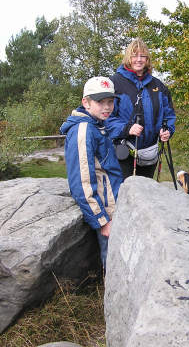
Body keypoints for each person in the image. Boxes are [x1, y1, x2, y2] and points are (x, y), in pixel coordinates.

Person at [60, 76, 123, 272]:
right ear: (85, 103)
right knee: (112, 262)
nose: (107, 107)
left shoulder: (97, 125)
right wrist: (102, 221)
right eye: (100, 102)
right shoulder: (84, 130)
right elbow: (82, 181)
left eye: (110, 101)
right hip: (105, 211)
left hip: (113, 206)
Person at [106, 38, 176, 179]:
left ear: (147, 59)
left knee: (147, 193)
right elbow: (105, 117)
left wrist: (167, 130)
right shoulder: (114, 83)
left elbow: (169, 115)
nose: (138, 59)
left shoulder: (159, 86)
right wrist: (127, 129)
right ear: (128, 57)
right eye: (134, 55)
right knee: (125, 193)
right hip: (123, 152)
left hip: (150, 153)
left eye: (142, 56)